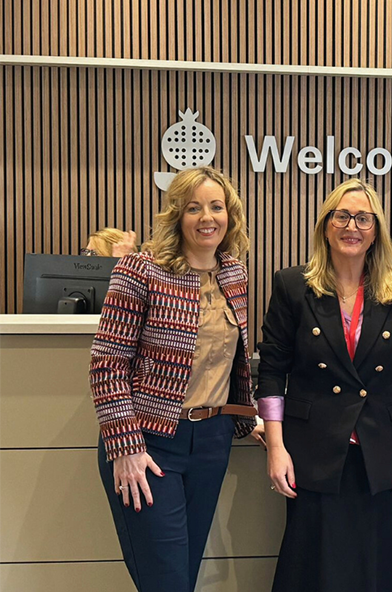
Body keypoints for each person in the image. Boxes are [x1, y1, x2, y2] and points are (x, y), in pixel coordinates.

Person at [90, 166, 263, 592]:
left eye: (217, 206)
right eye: (194, 207)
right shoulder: (140, 270)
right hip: (149, 444)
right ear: (177, 215)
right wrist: (125, 446)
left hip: (212, 443)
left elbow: (230, 359)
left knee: (184, 577)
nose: (207, 217)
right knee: (165, 581)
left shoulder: (234, 274)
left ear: (230, 215)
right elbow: (107, 362)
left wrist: (249, 413)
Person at [257, 178, 392, 592]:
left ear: (376, 231)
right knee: (311, 565)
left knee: (372, 563)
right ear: (326, 226)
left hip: (377, 451)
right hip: (311, 449)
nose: (353, 226)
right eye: (343, 216)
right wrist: (276, 448)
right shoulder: (292, 285)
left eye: (364, 219)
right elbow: (272, 371)